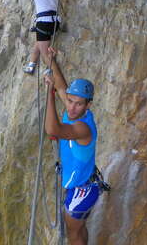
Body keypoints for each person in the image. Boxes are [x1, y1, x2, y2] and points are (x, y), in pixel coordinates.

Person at [43, 48, 99, 245]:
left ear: (88, 105)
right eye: (69, 101)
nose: (71, 107)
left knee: (73, 235)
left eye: (78, 104)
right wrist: (51, 59)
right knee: (79, 229)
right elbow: (60, 86)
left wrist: (49, 95)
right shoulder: (74, 112)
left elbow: (52, 129)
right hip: (85, 184)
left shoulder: (82, 127)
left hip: (82, 190)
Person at [20, 0, 71, 74]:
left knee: (46, 55)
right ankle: (31, 64)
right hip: (55, 23)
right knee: (40, 41)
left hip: (43, 23)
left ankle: (57, 81)